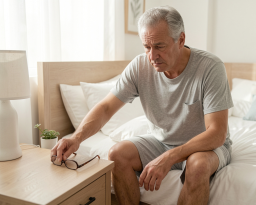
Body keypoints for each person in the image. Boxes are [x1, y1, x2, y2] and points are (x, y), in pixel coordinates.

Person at [51, 6, 233, 205]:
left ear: (180, 40)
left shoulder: (210, 67)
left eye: (159, 46)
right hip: (162, 141)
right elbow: (105, 108)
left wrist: (170, 157)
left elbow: (217, 132)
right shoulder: (139, 67)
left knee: (197, 166)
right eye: (147, 47)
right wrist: (77, 137)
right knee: (117, 154)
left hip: (204, 146)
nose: (152, 56)